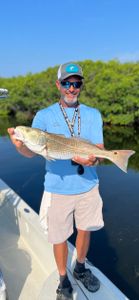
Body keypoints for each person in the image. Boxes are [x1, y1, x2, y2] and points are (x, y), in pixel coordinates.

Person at [8, 62, 104, 300]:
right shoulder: (43, 116)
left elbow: (100, 149)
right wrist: (21, 145)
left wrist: (93, 159)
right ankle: (63, 279)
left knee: (85, 229)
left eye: (76, 83)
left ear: (81, 85)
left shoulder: (93, 114)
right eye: (66, 83)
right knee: (58, 236)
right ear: (58, 85)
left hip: (88, 186)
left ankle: (80, 268)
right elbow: (33, 151)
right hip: (57, 188)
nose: (71, 88)